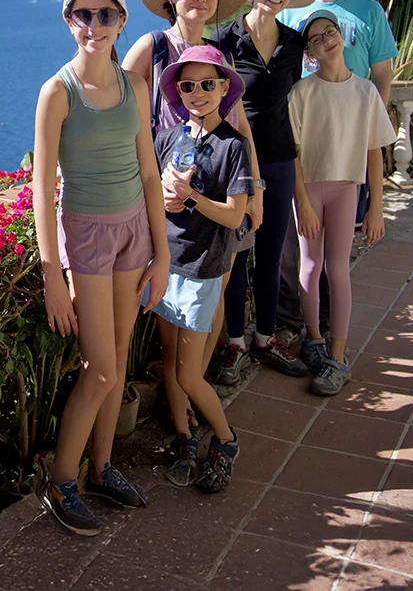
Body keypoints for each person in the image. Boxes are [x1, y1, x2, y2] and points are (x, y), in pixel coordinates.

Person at [32, 0, 171, 537]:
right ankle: (62, 480)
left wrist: (162, 255)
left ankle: (102, 466)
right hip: (87, 237)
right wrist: (52, 276)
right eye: (83, 15)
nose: (94, 25)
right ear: (69, 21)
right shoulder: (57, 92)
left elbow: (149, 172)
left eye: (105, 14)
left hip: (133, 232)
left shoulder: (135, 85)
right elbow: (42, 188)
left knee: (118, 358)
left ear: (122, 20)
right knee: (102, 369)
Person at [122, 0, 262, 395]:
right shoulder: (152, 48)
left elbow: (241, 127)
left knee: (214, 301)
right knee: (172, 308)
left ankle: (190, 391)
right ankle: (180, 398)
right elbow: (117, 112)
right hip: (170, 206)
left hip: (222, 199)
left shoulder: (221, 57)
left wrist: (256, 191)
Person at [275, 0, 399, 345]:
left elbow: (382, 75)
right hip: (301, 156)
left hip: (347, 156)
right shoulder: (288, 12)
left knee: (337, 257)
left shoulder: (370, 12)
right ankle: (298, 327)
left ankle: (331, 333)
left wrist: (366, 126)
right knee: (295, 251)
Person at [143, 44, 251, 491]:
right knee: (171, 362)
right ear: (178, 91)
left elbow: (235, 216)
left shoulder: (233, 146)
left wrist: (190, 198)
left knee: (188, 373)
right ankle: (185, 436)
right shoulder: (168, 139)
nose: (197, 92)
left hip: (203, 269)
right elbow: (151, 191)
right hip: (165, 264)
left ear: (224, 88)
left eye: (208, 83)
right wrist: (166, 198)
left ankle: (225, 439)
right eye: (188, 85)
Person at [212, 0, 316, 385]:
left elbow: (299, 103)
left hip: (280, 160)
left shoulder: (294, 43)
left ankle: (265, 337)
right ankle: (235, 342)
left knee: (271, 254)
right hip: (237, 164)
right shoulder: (225, 40)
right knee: (238, 255)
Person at [290, 10, 397, 396]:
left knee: (337, 270)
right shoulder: (302, 93)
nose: (326, 40)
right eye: (316, 38)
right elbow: (294, 152)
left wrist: (376, 207)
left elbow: (374, 152)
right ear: (309, 53)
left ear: (342, 35)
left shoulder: (365, 92)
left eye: (330, 32)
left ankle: (338, 357)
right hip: (309, 189)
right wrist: (302, 202)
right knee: (309, 265)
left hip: (346, 189)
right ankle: (313, 341)